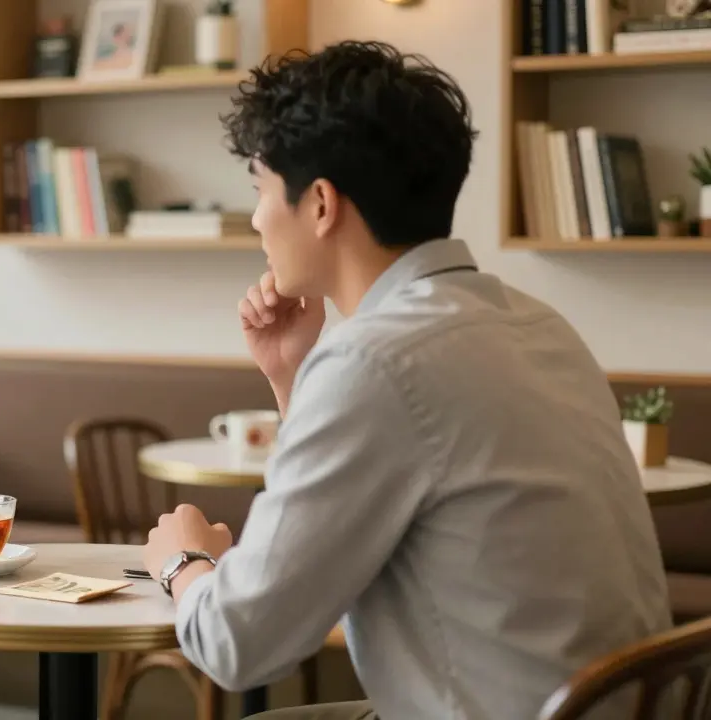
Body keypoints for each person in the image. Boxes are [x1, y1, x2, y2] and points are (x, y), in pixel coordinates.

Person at [141, 41, 672, 719]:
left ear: (322, 204)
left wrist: (182, 564)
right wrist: (294, 374)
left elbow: (239, 644)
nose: (255, 219)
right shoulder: (538, 325)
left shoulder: (374, 361)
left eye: (260, 190)